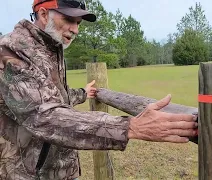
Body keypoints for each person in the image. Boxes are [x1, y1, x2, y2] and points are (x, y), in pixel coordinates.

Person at [0, 0, 198, 179]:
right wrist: (129, 127)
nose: (75, 29)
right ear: (43, 14)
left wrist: (83, 93)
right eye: (69, 19)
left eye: (79, 23)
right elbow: (42, 115)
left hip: (59, 170)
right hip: (28, 174)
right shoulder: (13, 50)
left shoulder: (51, 47)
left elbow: (55, 96)